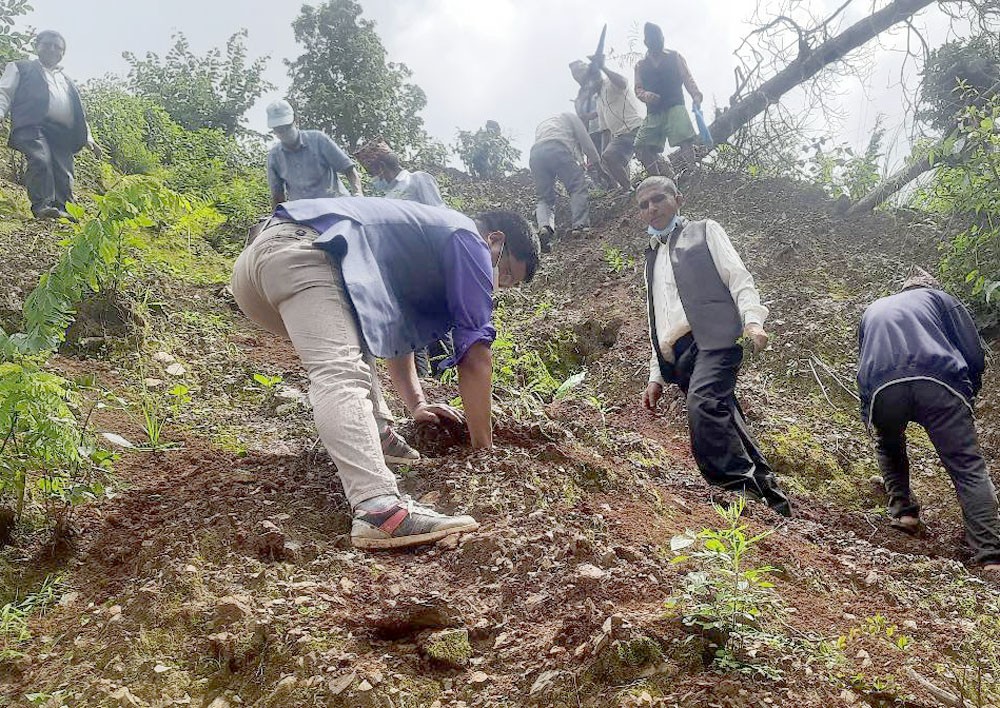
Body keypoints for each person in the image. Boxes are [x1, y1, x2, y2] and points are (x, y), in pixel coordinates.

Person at [230, 197, 540, 549]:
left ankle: (377, 434)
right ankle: (378, 510)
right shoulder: (467, 236)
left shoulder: (418, 247)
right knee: (341, 371)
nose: (498, 286)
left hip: (259, 268)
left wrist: (417, 405)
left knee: (351, 341)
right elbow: (475, 356)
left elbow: (396, 331)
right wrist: (484, 449)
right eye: (509, 274)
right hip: (306, 251)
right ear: (496, 241)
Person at [637, 176, 791, 517]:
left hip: (715, 339)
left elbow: (738, 277)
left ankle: (738, 494)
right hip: (680, 355)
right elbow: (657, 316)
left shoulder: (704, 231)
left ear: (679, 199)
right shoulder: (651, 258)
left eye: (658, 199)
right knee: (726, 417)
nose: (652, 208)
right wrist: (656, 376)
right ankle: (774, 503)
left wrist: (753, 320)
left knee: (704, 405)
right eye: (644, 205)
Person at [858, 268, 1000, 574]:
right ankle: (989, 556)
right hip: (938, 382)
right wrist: (968, 395)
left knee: (889, 444)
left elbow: (864, 361)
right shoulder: (941, 300)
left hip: (883, 387)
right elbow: (973, 353)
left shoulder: (874, 309)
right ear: (931, 287)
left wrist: (867, 409)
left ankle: (904, 513)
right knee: (967, 466)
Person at [353, 137, 451, 376]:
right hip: (399, 272)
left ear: (382, 168)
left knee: (435, 325)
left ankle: (448, 379)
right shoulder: (385, 198)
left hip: (425, 267)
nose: (374, 180)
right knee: (410, 331)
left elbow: (439, 218)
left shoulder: (418, 181)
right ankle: (425, 384)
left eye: (372, 173)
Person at [0, 30, 101, 220]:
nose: (53, 49)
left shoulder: (67, 81)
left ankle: (65, 210)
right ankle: (43, 206)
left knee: (64, 169)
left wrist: (89, 139)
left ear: (63, 53)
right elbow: (4, 92)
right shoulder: (21, 67)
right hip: (32, 124)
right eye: (47, 45)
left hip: (62, 132)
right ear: (37, 46)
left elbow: (78, 114)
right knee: (40, 159)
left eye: (58, 47)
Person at [633, 23, 703, 179]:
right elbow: (638, 89)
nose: (658, 42)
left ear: (663, 39)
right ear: (646, 43)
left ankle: (694, 171)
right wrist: (646, 96)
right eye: (653, 40)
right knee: (642, 146)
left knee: (684, 139)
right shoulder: (640, 65)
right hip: (654, 112)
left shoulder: (674, 57)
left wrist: (696, 95)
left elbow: (687, 77)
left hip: (675, 105)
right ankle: (657, 179)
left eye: (659, 39)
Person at [265, 99, 362, 210]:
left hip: (336, 206)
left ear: (296, 121)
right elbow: (277, 196)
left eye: (287, 127)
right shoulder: (274, 156)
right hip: (303, 214)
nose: (284, 132)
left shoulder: (318, 140)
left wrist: (358, 193)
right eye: (279, 130)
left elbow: (349, 169)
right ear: (274, 131)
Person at [528, 112, 604, 248]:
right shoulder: (572, 117)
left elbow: (575, 150)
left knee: (544, 197)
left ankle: (544, 226)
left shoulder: (548, 123)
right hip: (557, 148)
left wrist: (580, 162)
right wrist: (598, 165)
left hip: (536, 154)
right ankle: (580, 226)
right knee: (576, 186)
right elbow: (585, 142)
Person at [570, 58, 644, 192]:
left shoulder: (609, 83)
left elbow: (622, 83)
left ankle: (661, 179)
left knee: (641, 154)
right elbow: (596, 125)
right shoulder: (586, 98)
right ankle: (624, 190)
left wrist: (603, 66)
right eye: (575, 74)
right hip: (607, 135)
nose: (579, 75)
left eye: (581, 71)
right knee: (607, 160)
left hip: (631, 127)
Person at [353, 138, 445, 208]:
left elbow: (438, 212)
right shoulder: (387, 198)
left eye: (372, 173)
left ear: (382, 167)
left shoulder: (418, 179)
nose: (373, 178)